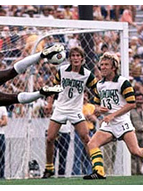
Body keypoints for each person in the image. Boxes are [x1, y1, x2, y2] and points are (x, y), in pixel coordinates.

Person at [83, 52, 143, 179]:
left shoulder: (123, 82)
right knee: (91, 144)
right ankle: (99, 172)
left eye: (106, 65)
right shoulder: (99, 84)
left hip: (122, 122)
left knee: (136, 151)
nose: (102, 67)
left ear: (113, 67)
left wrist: (112, 115)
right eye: (101, 64)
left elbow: (132, 104)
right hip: (108, 124)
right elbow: (97, 105)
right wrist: (98, 110)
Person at [42, 46, 98, 178]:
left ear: (83, 58)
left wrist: (100, 105)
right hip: (60, 108)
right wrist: (50, 103)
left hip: (75, 110)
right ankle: (49, 168)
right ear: (69, 58)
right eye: (73, 56)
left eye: (78, 56)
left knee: (86, 138)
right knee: (50, 138)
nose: (75, 58)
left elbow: (96, 90)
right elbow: (53, 88)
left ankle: (96, 167)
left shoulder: (87, 74)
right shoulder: (62, 71)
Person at [72, 91, 97, 176]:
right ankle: (76, 173)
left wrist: (93, 118)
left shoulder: (91, 107)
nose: (84, 97)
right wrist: (84, 117)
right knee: (78, 154)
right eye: (83, 95)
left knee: (89, 153)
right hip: (79, 132)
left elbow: (96, 118)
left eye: (86, 95)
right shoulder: (77, 106)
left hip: (90, 131)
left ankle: (89, 172)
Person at [130, 93, 143, 175]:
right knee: (134, 153)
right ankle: (133, 172)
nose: (139, 101)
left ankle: (139, 171)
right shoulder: (130, 110)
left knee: (141, 153)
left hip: (142, 134)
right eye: (137, 99)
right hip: (134, 133)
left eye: (141, 99)